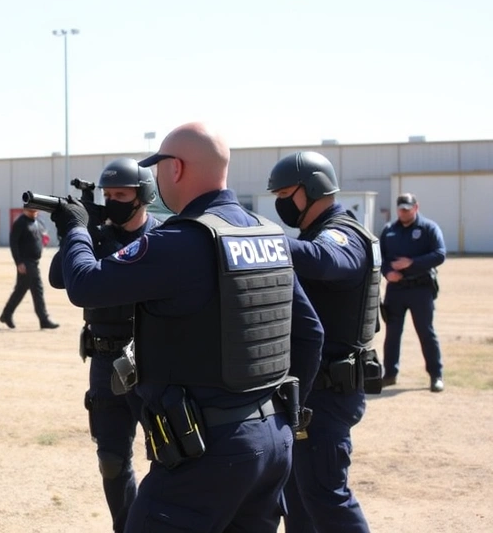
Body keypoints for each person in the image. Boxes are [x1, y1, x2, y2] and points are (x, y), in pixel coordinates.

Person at [51, 123, 324, 533]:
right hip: (272, 440)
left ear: (175, 169)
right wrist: (286, 414)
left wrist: (75, 227)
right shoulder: (266, 234)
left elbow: (85, 284)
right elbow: (309, 334)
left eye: (159, 167)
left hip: (206, 453)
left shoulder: (181, 240)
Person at [267, 150, 382, 533]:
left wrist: (262, 240)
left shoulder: (342, 234)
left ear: (313, 188)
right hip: (309, 390)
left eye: (286, 194)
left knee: (326, 496)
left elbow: (328, 260)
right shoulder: (316, 234)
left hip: (329, 394)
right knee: (297, 499)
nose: (280, 204)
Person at [48, 158, 160, 533]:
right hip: (104, 360)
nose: (112, 201)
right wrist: (80, 230)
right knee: (111, 460)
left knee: (167, 457)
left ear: (142, 196)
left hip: (152, 361)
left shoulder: (162, 236)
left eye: (121, 195)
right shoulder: (92, 235)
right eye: (107, 195)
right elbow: (57, 279)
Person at [379, 192, 447, 392]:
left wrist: (412, 264)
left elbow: (440, 254)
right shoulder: (389, 230)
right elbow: (380, 258)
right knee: (392, 334)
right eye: (401, 209)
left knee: (426, 332)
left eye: (408, 209)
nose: (404, 212)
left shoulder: (428, 228)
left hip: (420, 288)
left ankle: (436, 375)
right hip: (396, 290)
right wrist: (387, 272)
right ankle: (390, 374)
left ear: (416, 207)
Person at [0, 205, 58, 330]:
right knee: (38, 289)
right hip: (26, 262)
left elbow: (42, 233)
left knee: (20, 290)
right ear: (25, 210)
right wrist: (18, 262)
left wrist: (44, 239)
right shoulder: (20, 223)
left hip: (34, 261)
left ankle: (6, 314)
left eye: (36, 210)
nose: (35, 212)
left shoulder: (38, 221)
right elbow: (13, 243)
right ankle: (44, 319)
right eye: (32, 210)